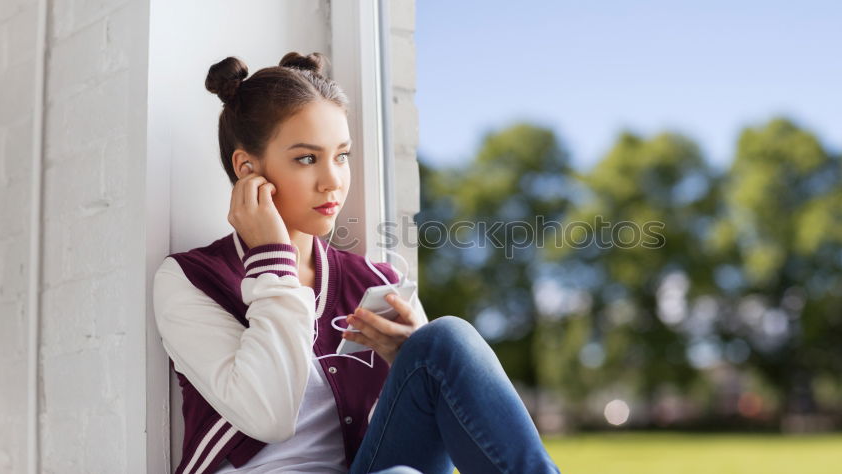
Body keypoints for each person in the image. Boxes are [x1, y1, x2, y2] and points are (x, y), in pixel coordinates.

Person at [152, 51, 560, 474]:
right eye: (307, 158)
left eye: (341, 155)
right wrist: (272, 261)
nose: (333, 180)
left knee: (443, 339)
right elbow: (269, 416)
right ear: (248, 168)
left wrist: (408, 362)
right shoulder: (190, 279)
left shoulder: (375, 282)